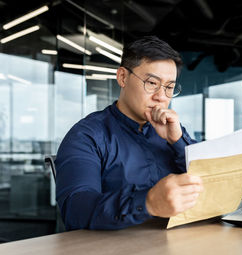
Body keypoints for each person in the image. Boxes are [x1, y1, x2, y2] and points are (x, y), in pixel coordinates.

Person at [55, 36, 204, 230]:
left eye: (169, 87)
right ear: (122, 77)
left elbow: (209, 186)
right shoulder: (87, 136)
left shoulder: (173, 132)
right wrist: (148, 202)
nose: (161, 97)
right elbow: (76, 211)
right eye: (152, 83)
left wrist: (177, 141)